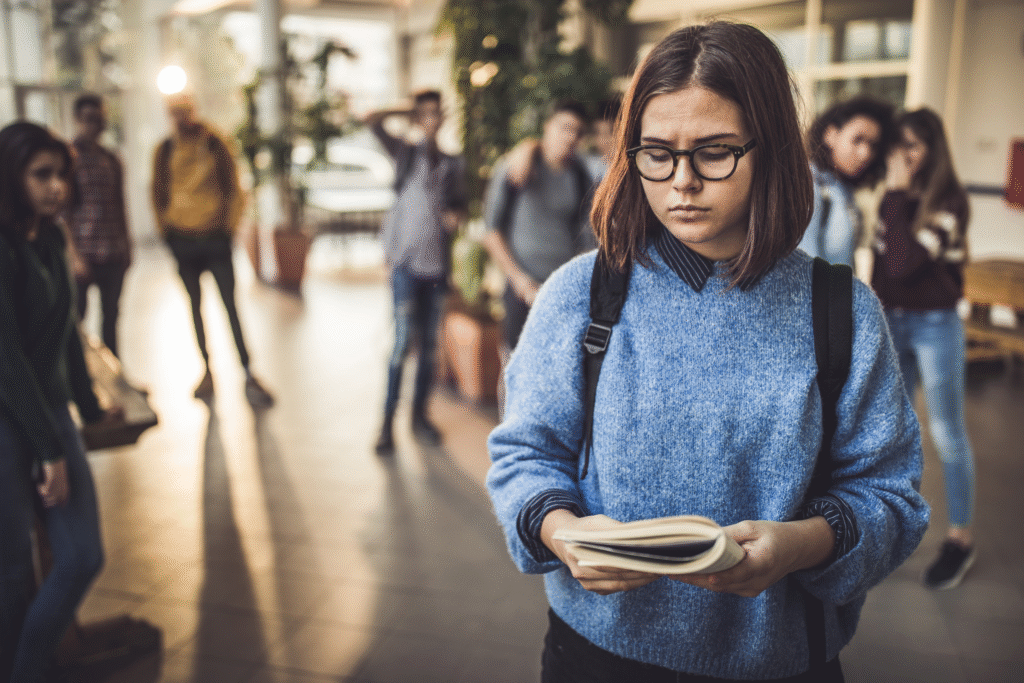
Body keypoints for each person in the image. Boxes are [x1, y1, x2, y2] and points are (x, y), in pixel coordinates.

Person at [486, 22, 929, 682]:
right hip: (597, 653)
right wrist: (559, 531)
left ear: (771, 149)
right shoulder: (584, 292)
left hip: (779, 660)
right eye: (656, 152)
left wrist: (807, 542)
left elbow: (891, 496)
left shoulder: (838, 310)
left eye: (714, 152)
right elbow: (524, 450)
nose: (681, 181)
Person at [0, 122, 119, 683]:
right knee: (11, 572)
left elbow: (66, 332)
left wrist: (90, 409)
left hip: (51, 413)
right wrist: (46, 448)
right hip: (7, 419)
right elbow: (6, 359)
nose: (56, 188)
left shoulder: (48, 237)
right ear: (11, 176)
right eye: (40, 175)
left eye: (61, 175)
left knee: (81, 556)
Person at [872, 108, 975, 590]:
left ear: (932, 149)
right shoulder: (891, 200)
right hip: (893, 323)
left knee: (947, 432)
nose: (904, 156)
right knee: (900, 433)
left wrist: (894, 195)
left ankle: (960, 540)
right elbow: (880, 273)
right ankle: (900, 532)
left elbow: (902, 264)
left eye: (913, 145)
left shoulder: (949, 202)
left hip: (935, 324)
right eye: (899, 145)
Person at [151, 91, 273, 407]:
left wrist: (229, 227)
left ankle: (248, 371)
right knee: (195, 307)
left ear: (193, 111)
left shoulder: (216, 143)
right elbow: (157, 192)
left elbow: (235, 187)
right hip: (183, 239)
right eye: (174, 112)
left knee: (230, 306)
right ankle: (207, 370)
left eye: (184, 111)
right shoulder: (164, 150)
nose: (180, 117)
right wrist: (167, 229)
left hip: (215, 238)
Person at [365, 89, 467, 455]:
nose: (430, 119)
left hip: (436, 268)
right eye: (423, 114)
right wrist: (406, 108)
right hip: (405, 266)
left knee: (429, 349)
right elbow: (371, 119)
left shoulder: (453, 163)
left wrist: (455, 217)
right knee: (400, 345)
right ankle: (386, 423)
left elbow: (458, 208)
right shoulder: (405, 153)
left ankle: (419, 418)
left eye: (435, 113)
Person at [482, 100, 593, 353]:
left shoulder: (580, 175)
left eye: (578, 131)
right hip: (522, 288)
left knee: (558, 368)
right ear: (547, 127)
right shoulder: (516, 167)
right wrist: (521, 282)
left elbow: (584, 236)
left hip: (561, 290)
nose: (571, 137)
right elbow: (491, 232)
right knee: (516, 366)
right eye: (565, 127)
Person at [64, 93, 132, 358]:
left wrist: (127, 245)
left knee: (111, 319)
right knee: (77, 321)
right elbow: (64, 213)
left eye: (99, 119)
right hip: (84, 253)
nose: (95, 125)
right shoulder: (67, 159)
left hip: (113, 251)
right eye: (89, 119)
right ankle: (82, 383)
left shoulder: (111, 159)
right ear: (78, 120)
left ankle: (115, 381)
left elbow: (119, 204)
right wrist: (74, 255)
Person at [798, 96, 896, 269]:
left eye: (873, 145)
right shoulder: (809, 184)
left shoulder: (841, 189)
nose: (865, 153)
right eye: (857, 140)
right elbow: (804, 265)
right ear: (831, 135)